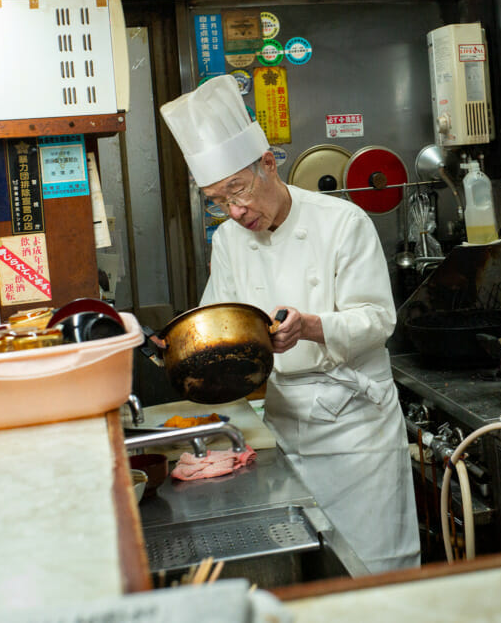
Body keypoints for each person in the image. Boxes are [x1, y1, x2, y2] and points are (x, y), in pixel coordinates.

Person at [160, 75, 420, 573]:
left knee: (375, 571)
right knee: (310, 568)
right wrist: (177, 346)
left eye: (237, 190)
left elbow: (378, 319)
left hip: (355, 428)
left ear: (267, 162)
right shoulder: (229, 242)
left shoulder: (341, 222)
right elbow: (222, 325)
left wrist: (312, 326)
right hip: (284, 424)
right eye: (216, 200)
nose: (233, 211)